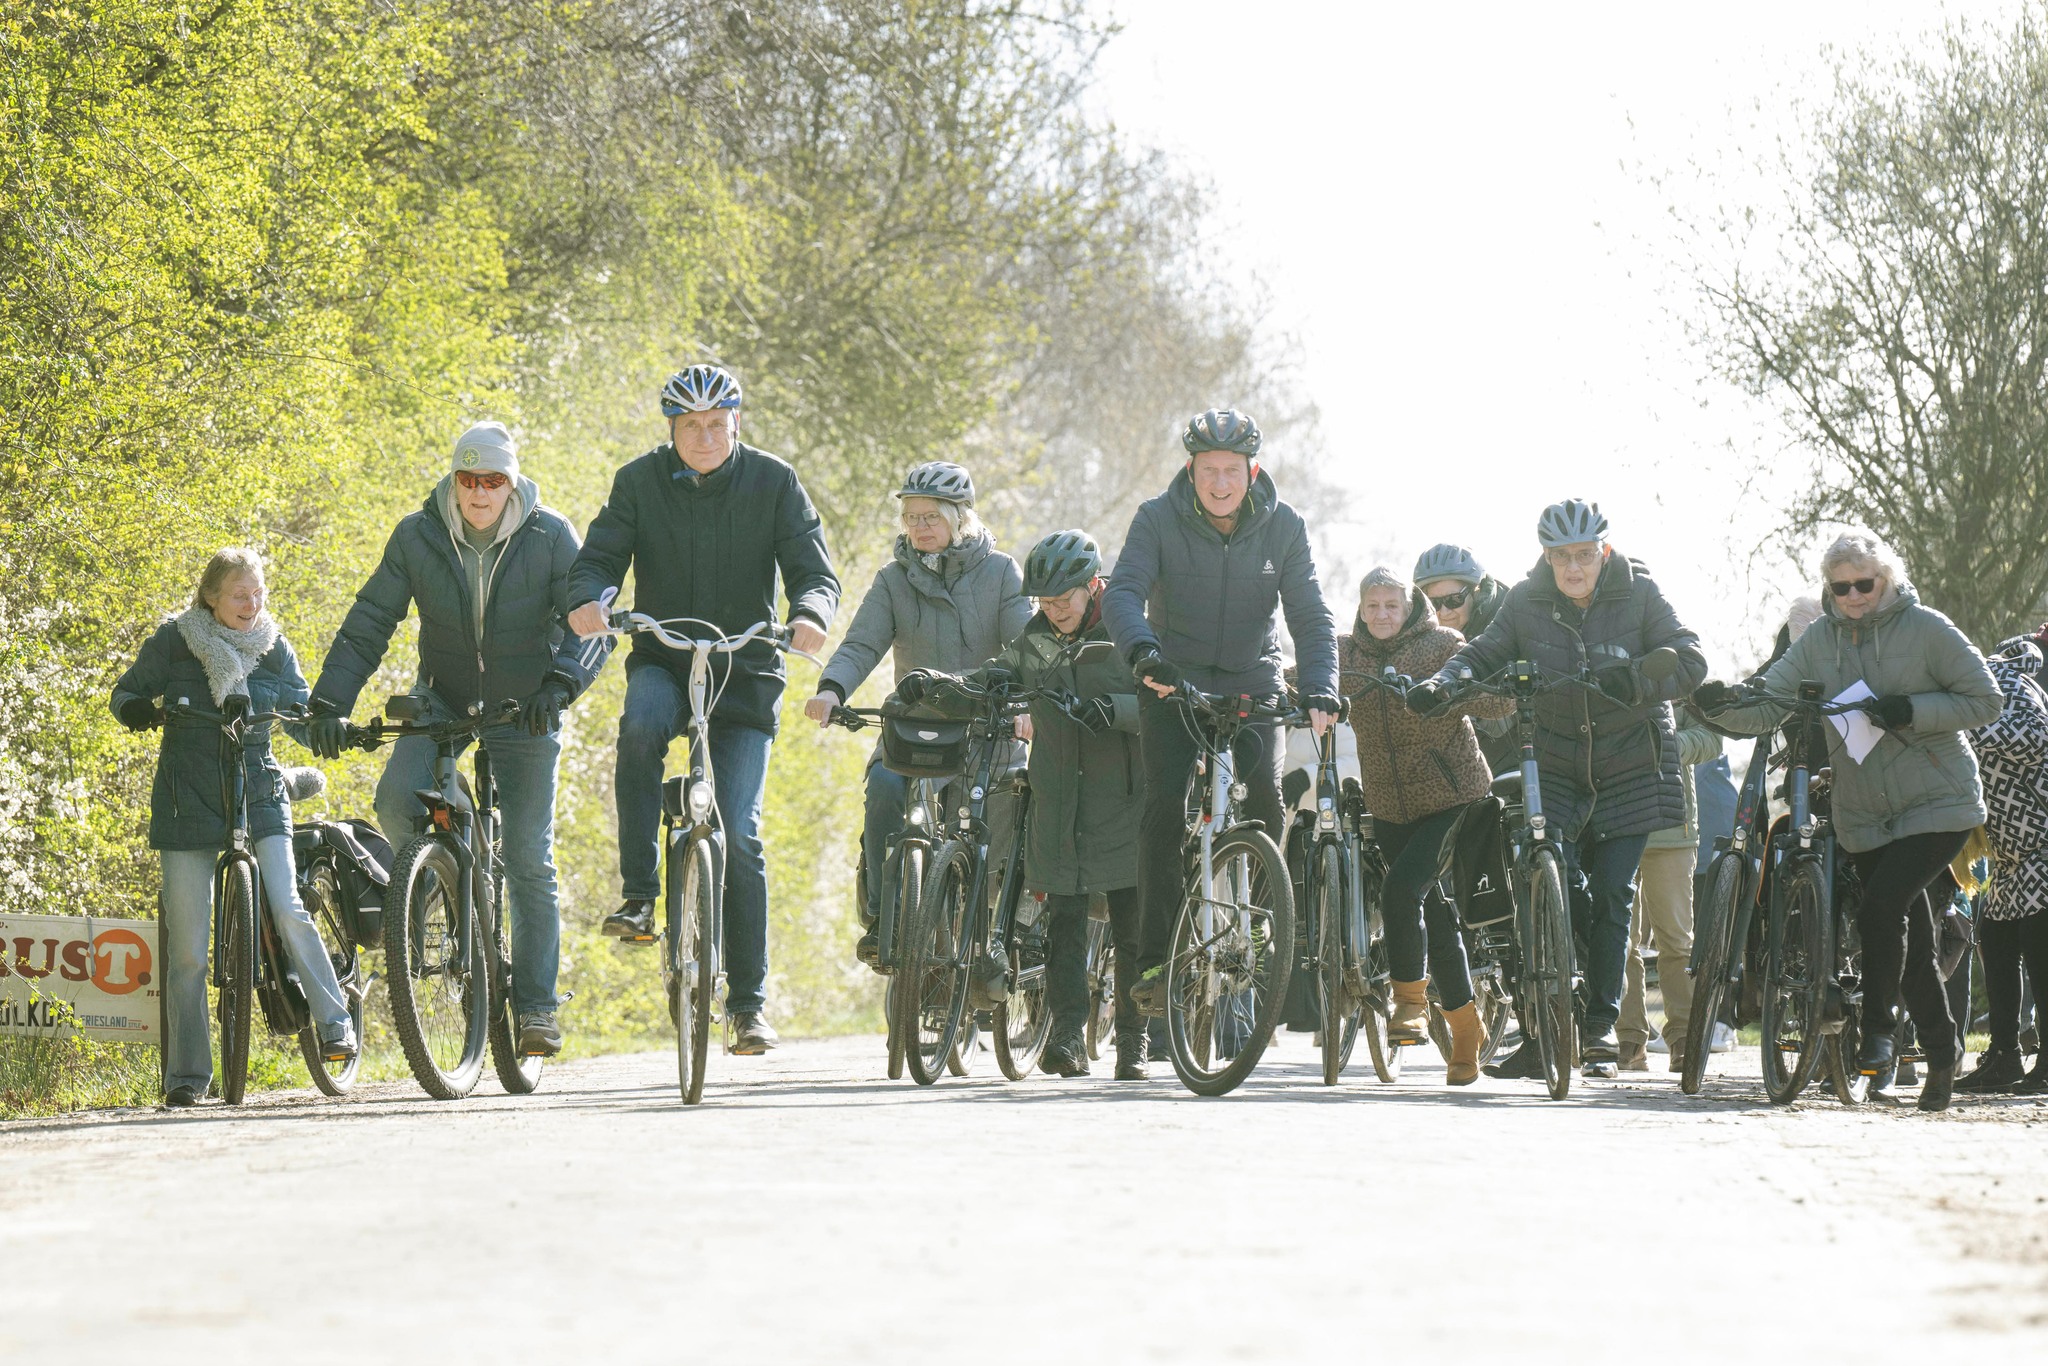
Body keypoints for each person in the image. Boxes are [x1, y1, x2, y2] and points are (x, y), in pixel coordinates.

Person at [306, 421, 605, 1058]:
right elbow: (370, 621)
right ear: (454, 479)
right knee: (395, 800)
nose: (479, 491)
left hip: (527, 704)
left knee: (528, 859)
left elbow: (590, 625)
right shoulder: (418, 535)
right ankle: (442, 870)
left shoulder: (550, 536)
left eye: (493, 479)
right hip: (443, 694)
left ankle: (536, 1007)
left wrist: (563, 683)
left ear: (512, 482)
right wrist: (330, 701)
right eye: (468, 478)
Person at [567, 364, 839, 1055]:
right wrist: (590, 599)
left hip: (747, 672)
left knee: (740, 832)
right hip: (663, 657)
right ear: (672, 430)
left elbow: (814, 570)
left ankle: (748, 1006)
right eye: (691, 426)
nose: (705, 436)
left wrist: (809, 612)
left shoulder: (774, 482)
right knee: (638, 730)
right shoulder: (638, 482)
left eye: (717, 424)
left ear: (736, 423)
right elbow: (598, 557)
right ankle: (638, 896)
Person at [1698, 529, 1999, 1112]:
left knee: (1880, 909)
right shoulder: (1818, 644)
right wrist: (1719, 707)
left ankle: (1878, 1032)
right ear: (1829, 590)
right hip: (1865, 813)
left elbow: (1986, 699)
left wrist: (1912, 710)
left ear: (1887, 578)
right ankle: (1941, 1055)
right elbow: (1773, 700)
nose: (1856, 596)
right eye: (1843, 588)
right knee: (1905, 941)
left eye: (1866, 583)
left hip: (1940, 803)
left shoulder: (1928, 629)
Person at [1410, 498, 1707, 1079]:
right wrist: (1447, 682)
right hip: (1559, 765)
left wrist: (1639, 676)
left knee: (1615, 893)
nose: (1573, 567)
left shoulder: (1640, 594)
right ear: (1545, 557)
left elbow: (1691, 660)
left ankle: (1597, 1027)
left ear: (1605, 551)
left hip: (1631, 769)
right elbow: (1485, 652)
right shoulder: (1526, 600)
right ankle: (1548, 1009)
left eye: (1584, 555)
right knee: (1554, 876)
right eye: (1561, 556)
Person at [1103, 408, 1338, 1015]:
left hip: (1253, 675)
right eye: (1209, 469)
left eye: (1231, 470)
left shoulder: (1284, 526)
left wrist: (1317, 684)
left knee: (1265, 798)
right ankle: (1156, 959)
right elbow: (1124, 591)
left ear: (1251, 469)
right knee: (1163, 807)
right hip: (1171, 676)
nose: (1220, 482)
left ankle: (1259, 918)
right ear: (1192, 468)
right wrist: (1145, 655)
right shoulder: (1156, 518)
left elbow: (1310, 614)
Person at [111, 548, 356, 1106]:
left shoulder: (272, 647)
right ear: (210, 597)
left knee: (289, 907)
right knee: (189, 951)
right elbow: (124, 691)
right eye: (240, 594)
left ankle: (335, 1022)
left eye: (258, 592)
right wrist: (136, 711)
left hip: (259, 791)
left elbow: (301, 711)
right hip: (187, 801)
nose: (252, 604)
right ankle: (187, 1077)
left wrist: (327, 729)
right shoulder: (173, 641)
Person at [909, 531, 1149, 1079]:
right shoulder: (1038, 638)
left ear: (1093, 586)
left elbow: (1164, 696)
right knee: (1062, 921)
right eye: (1043, 600)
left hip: (1124, 800)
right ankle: (1066, 1035)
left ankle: (1133, 1041)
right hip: (1058, 798)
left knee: (1131, 924)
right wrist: (938, 686)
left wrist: (1114, 709)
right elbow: (998, 674)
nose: (1053, 610)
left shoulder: (1127, 630)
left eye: (1063, 598)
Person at [803, 462, 1027, 965]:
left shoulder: (1002, 573)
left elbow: (1026, 649)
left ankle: (999, 933)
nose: (919, 527)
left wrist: (1027, 706)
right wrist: (832, 689)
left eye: (930, 517)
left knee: (996, 822)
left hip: (986, 727)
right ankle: (886, 919)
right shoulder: (892, 579)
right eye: (910, 517)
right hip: (916, 724)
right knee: (884, 787)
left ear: (958, 518)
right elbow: (862, 643)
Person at [1340, 565, 1511, 1085]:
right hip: (1391, 807)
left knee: (1401, 889)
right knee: (1435, 918)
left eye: (1392, 605)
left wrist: (1442, 691)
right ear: (1362, 611)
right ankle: (1466, 1032)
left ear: (1411, 606)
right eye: (1373, 606)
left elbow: (1493, 699)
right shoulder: (1347, 654)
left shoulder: (1442, 644)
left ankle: (1409, 1001)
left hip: (1452, 797)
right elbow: (1308, 679)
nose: (1382, 615)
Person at [1954, 636, 2048, 1094]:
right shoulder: (1966, 690)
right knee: (1995, 941)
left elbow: (2033, 738)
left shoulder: (2008, 680)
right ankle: (2005, 1056)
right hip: (2011, 853)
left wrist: (1964, 730)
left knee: (2040, 949)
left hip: (2042, 843)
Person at [1619, 703, 1719, 1073]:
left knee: (1676, 939)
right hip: (1615, 825)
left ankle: (1682, 1036)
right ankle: (1629, 1037)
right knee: (1620, 940)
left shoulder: (1682, 679)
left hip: (1671, 831)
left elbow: (1712, 740)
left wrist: (1665, 743)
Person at [1415, 543, 1515, 775]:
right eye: (1434, 603)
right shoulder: (1420, 635)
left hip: (1517, 754)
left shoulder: (1509, 623)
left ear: (1477, 592)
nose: (1444, 612)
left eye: (1454, 600)